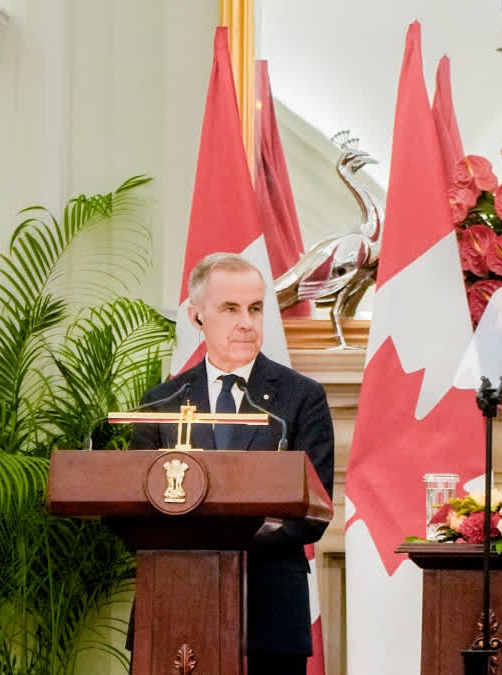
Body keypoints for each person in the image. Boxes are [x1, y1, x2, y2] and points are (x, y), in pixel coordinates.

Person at [131, 252, 334, 673]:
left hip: (271, 610)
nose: (247, 321)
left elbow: (314, 512)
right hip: (178, 600)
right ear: (197, 317)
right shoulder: (162, 403)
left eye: (255, 309)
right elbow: (136, 504)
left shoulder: (301, 397)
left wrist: (227, 536)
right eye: (230, 309)